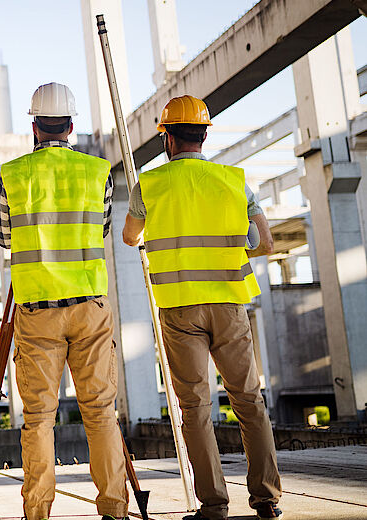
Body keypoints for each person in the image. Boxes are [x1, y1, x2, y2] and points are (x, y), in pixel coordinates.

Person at [121, 95, 282, 520]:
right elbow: (265, 242)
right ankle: (266, 498)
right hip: (228, 305)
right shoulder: (234, 181)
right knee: (249, 400)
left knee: (194, 407)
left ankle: (213, 506)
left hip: (178, 310)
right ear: (205, 135)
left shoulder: (149, 185)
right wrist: (231, 246)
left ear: (167, 139)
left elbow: (129, 237)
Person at [0, 83, 129, 520]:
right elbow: (103, 229)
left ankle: (38, 511)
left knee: (38, 418)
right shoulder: (98, 172)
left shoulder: (11, 175)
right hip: (90, 305)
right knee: (101, 412)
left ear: (33, 126)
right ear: (71, 126)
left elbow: (4, 237)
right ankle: (113, 508)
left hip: (37, 311)